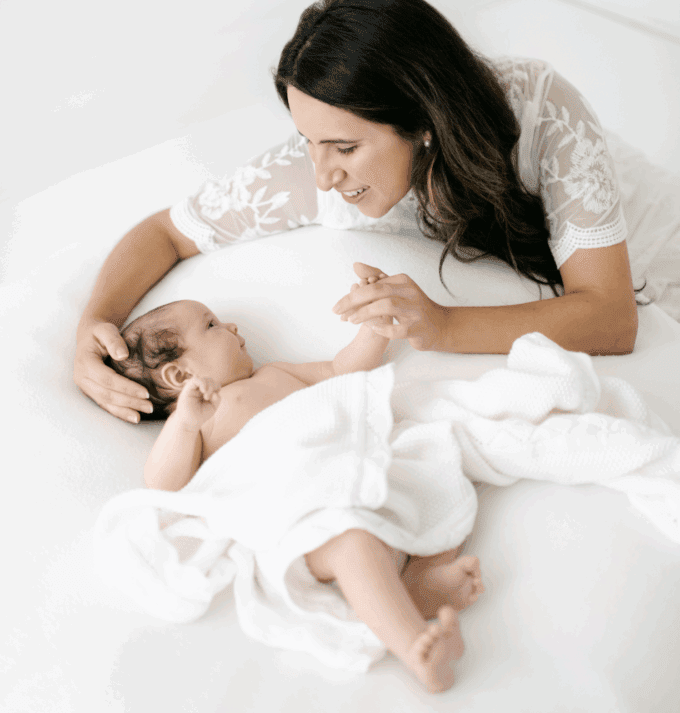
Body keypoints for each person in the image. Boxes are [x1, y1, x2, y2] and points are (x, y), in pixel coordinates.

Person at [75, 0, 639, 424]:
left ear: (423, 123)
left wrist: (442, 326)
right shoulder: (317, 168)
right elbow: (165, 232)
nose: (322, 177)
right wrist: (96, 322)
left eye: (345, 146)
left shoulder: (545, 117)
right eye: (308, 142)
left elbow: (613, 317)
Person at [109, 266, 484, 694]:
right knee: (353, 545)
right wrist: (185, 425)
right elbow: (163, 485)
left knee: (435, 471)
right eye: (211, 326)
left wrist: (375, 329)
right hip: (302, 515)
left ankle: (421, 579)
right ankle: (416, 648)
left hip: (348, 472)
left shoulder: (274, 374)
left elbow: (342, 371)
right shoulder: (195, 422)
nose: (231, 327)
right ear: (179, 375)